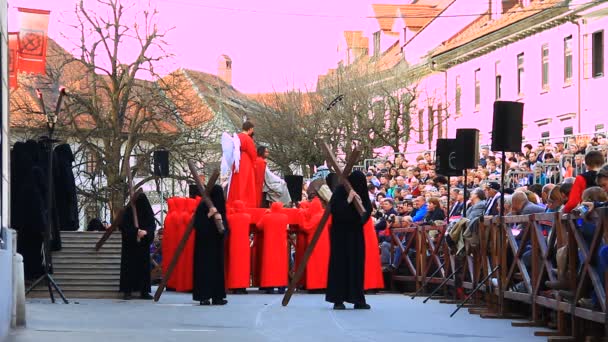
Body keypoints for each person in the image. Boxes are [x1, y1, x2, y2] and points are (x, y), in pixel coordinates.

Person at [326, 171, 373, 310]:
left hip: (355, 234)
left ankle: (358, 299)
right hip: (340, 235)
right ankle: (338, 299)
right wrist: (348, 200)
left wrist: (360, 218)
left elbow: (367, 210)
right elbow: (335, 210)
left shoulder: (362, 193)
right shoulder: (341, 190)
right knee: (339, 266)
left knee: (356, 266)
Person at [192, 185, 228, 305]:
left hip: (216, 244)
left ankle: (217, 297)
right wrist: (208, 215)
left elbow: (226, 228)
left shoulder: (221, 208)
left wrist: (220, 220)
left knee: (217, 271)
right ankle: (204, 296)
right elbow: (198, 224)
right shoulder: (203, 206)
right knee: (204, 271)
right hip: (204, 246)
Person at [119, 193, 156, 300]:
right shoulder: (129, 211)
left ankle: (144, 291)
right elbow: (124, 226)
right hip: (130, 246)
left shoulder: (147, 212)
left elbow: (151, 225)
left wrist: (145, 232)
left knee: (143, 269)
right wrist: (135, 232)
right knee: (129, 269)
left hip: (142, 245)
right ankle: (127, 291)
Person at [227, 121, 258, 208]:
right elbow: (252, 152)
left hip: (236, 160)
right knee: (246, 182)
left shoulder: (236, 137)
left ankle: (234, 202)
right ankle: (246, 203)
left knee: (236, 182)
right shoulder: (248, 139)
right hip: (245, 161)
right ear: (250, 129)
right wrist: (254, 162)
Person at [225, 200, 251, 294]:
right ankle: (243, 286)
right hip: (244, 244)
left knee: (234, 264)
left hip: (234, 243)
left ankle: (235, 286)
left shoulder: (230, 218)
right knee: (244, 265)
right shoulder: (247, 217)